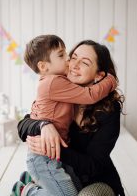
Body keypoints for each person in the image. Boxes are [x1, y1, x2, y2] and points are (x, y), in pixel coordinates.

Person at [11, 35, 117, 196]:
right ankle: (28, 190)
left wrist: (55, 148)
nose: (73, 63)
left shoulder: (109, 110)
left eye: (85, 62)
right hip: (51, 162)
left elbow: (94, 165)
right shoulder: (57, 87)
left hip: (95, 179)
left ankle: (30, 189)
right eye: (73, 57)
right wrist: (43, 126)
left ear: (99, 75)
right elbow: (25, 123)